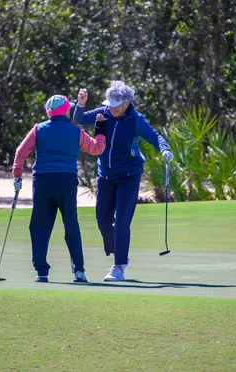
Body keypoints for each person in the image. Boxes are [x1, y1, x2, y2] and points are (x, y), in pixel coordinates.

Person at [73, 81, 174, 281]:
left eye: (115, 105)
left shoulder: (136, 119)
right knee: (102, 220)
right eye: (109, 104)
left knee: (122, 222)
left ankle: (118, 266)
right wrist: (81, 103)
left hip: (129, 175)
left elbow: (154, 137)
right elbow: (79, 118)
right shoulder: (104, 112)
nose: (111, 108)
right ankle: (117, 249)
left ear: (126, 103)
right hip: (105, 175)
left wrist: (165, 149)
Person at [12, 94, 107, 283]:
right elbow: (98, 148)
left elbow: (20, 153)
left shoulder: (38, 129)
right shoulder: (76, 132)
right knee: (71, 223)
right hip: (66, 180)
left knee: (39, 225)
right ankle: (79, 271)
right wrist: (101, 129)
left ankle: (41, 272)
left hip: (43, 182)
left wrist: (17, 176)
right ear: (66, 111)